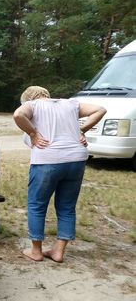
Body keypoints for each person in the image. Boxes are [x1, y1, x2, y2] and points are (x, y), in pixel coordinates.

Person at [13, 86, 106, 263]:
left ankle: (36, 251)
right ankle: (58, 251)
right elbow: (100, 110)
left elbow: (18, 115)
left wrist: (32, 132)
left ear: (28, 99)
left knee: (37, 205)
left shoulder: (33, 105)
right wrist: (82, 130)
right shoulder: (71, 104)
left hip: (47, 160)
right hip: (76, 159)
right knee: (66, 207)